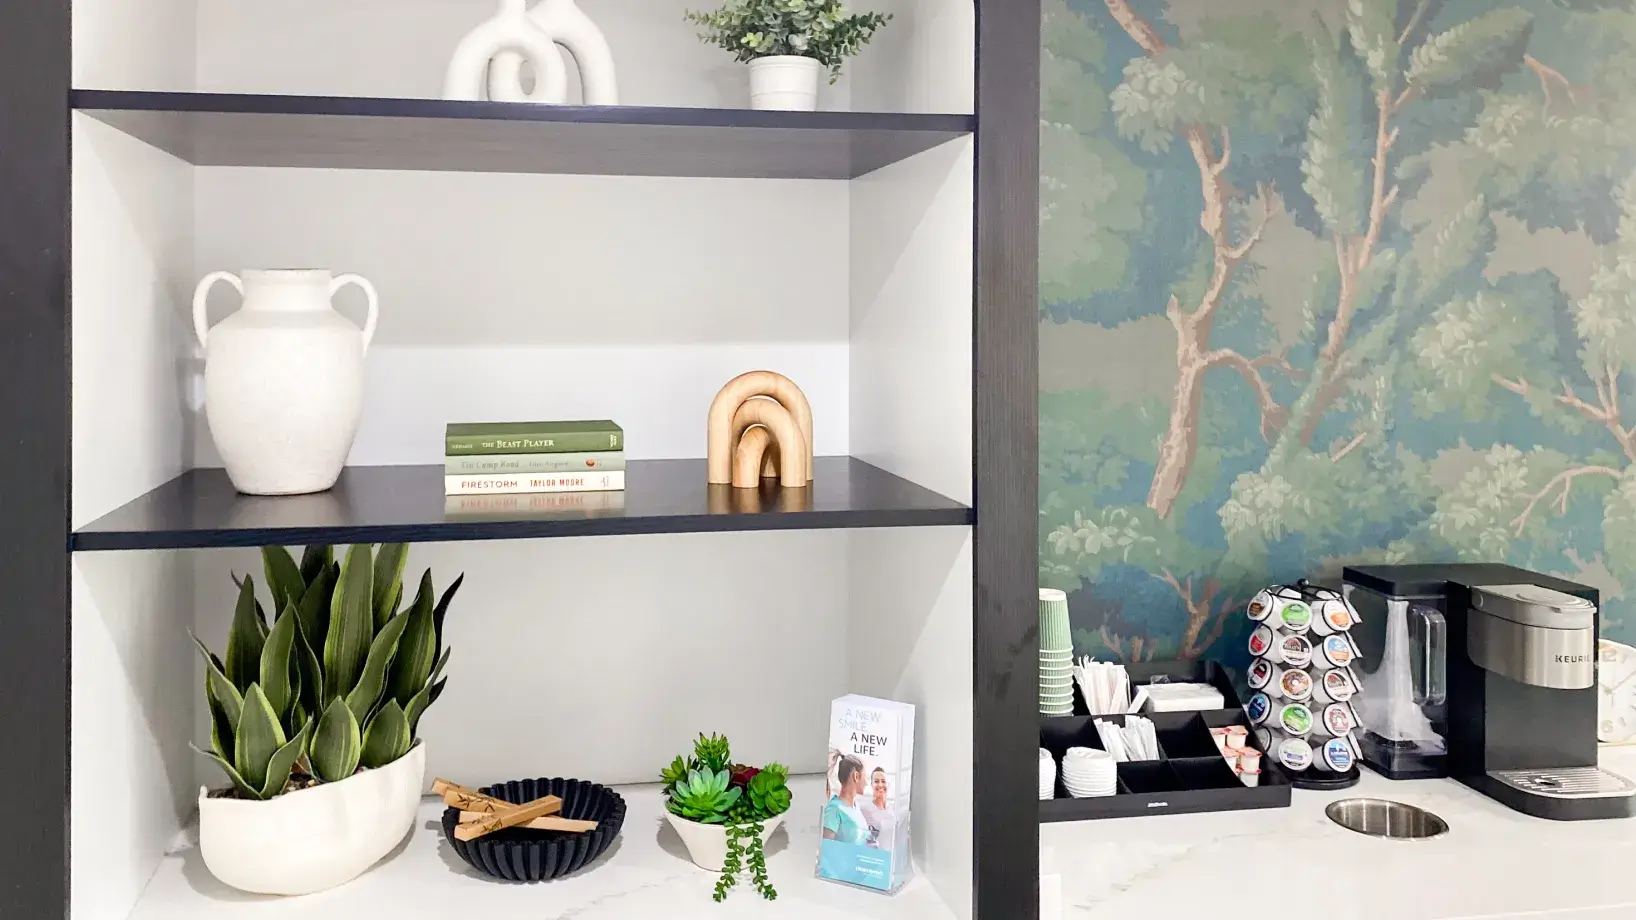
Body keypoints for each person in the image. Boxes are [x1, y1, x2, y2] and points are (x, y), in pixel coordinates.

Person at [821, 755, 869, 846]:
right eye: (865, 777)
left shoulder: (856, 807)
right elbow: (827, 849)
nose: (866, 783)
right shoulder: (834, 809)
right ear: (856, 776)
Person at [859, 766, 894, 848]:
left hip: (890, 854)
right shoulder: (864, 809)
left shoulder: (893, 809)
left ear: (887, 784)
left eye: (883, 781)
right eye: (876, 781)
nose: (880, 785)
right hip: (873, 854)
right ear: (871, 784)